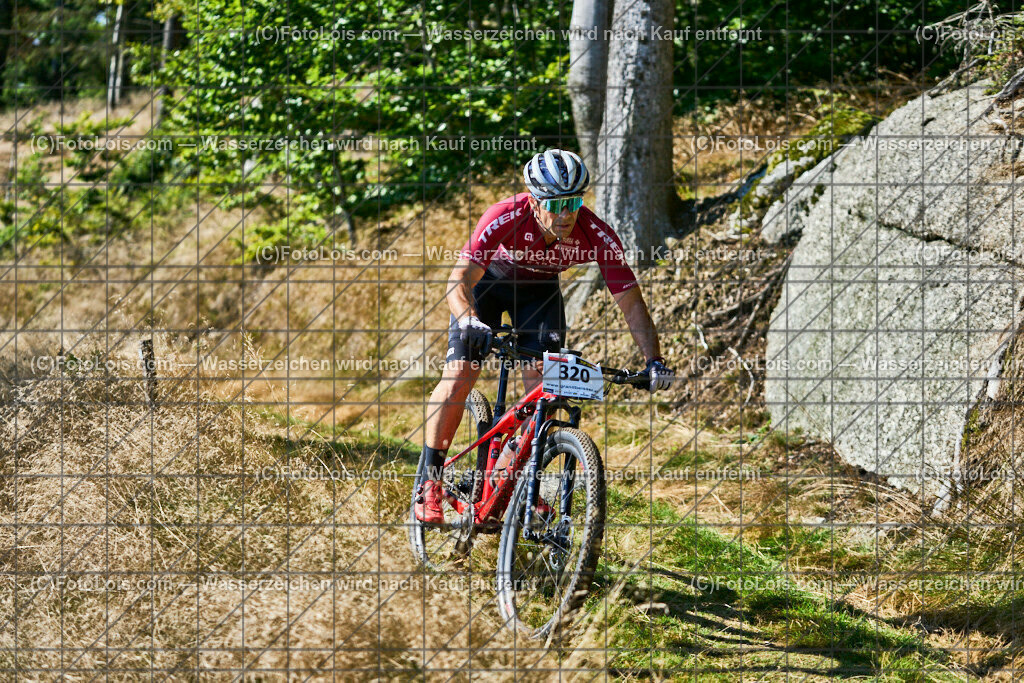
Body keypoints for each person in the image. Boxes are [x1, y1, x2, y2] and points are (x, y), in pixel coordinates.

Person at [414, 149, 674, 524]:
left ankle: (517, 486)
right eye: (555, 204)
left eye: (573, 202)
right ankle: (430, 483)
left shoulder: (594, 232)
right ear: (535, 201)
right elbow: (458, 281)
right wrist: (469, 320)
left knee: (543, 388)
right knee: (459, 376)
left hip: (538, 295)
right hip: (486, 289)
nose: (566, 214)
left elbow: (630, 300)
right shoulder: (504, 216)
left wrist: (654, 359)